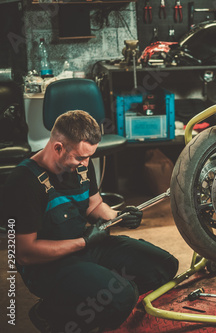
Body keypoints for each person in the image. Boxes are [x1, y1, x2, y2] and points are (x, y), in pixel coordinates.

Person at [1, 110, 179, 333]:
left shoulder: (81, 166)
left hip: (86, 245)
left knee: (163, 267)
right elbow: (24, 253)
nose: (86, 163)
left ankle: (92, 291)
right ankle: (52, 313)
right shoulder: (23, 182)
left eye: (89, 156)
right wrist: (84, 242)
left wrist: (121, 216)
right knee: (122, 296)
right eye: (80, 157)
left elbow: (94, 206)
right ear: (58, 147)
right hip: (48, 266)